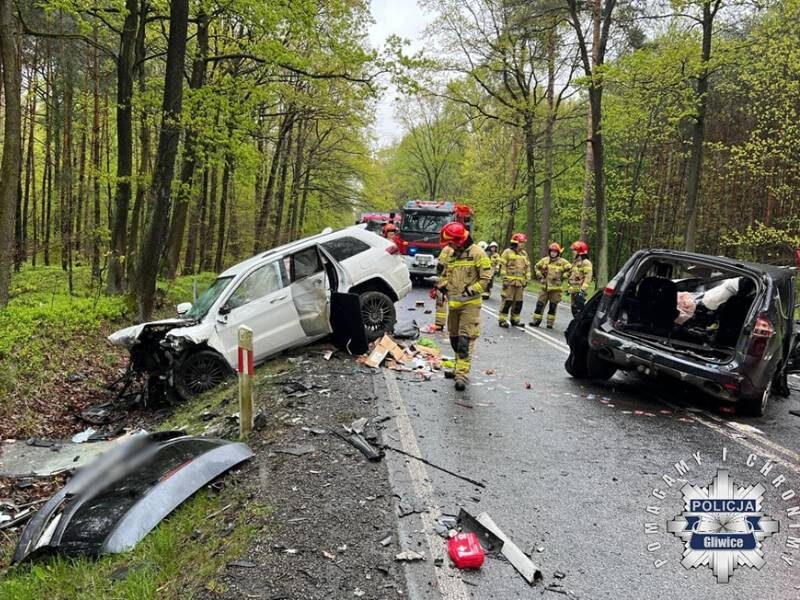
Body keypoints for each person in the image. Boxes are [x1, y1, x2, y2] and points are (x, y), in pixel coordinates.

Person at [435, 222, 492, 390]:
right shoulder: (453, 254)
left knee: (464, 341)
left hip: (470, 305)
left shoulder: (478, 253)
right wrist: (442, 286)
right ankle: (457, 368)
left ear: (459, 240)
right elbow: (446, 275)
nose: (449, 246)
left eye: (451, 242)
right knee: (454, 339)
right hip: (453, 305)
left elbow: (486, 279)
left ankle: (462, 375)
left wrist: (471, 291)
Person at [530, 242, 571, 329]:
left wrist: (565, 275)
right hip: (544, 288)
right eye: (552, 251)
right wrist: (538, 274)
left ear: (558, 253)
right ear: (549, 252)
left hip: (556, 289)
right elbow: (536, 266)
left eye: (555, 252)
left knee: (553, 306)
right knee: (539, 305)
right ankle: (536, 321)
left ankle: (550, 323)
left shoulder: (563, 262)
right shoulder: (544, 260)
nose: (553, 253)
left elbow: (570, 269)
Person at [498, 233, 530, 327]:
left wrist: (527, 279)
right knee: (507, 301)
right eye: (521, 242)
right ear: (515, 242)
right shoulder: (507, 252)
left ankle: (515, 320)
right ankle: (502, 320)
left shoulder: (524, 254)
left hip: (520, 283)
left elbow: (527, 267)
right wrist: (504, 279)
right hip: (509, 283)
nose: (523, 244)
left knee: (518, 302)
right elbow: (502, 266)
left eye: (523, 242)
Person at [430, 243, 454, 331]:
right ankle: (454, 326)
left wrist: (438, 276)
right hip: (457, 281)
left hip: (445, 280)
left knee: (441, 301)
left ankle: (439, 324)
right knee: (455, 304)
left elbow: (440, 264)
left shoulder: (447, 249)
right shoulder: (464, 249)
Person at [568, 240, 593, 317]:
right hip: (574, 291)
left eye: (574, 250)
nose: (573, 252)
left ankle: (579, 328)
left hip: (579, 292)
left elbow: (588, 278)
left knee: (578, 312)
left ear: (579, 252)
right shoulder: (575, 262)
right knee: (574, 310)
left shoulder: (586, 263)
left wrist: (582, 291)